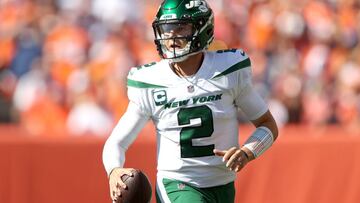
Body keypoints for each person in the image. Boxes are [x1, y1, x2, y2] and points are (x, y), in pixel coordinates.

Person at [102, 0, 278, 202]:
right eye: (166, 29)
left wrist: (247, 152)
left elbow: (268, 125)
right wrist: (114, 170)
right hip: (178, 184)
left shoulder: (228, 70)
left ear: (203, 28)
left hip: (223, 186)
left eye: (180, 28)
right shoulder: (150, 81)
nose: (171, 36)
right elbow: (116, 143)